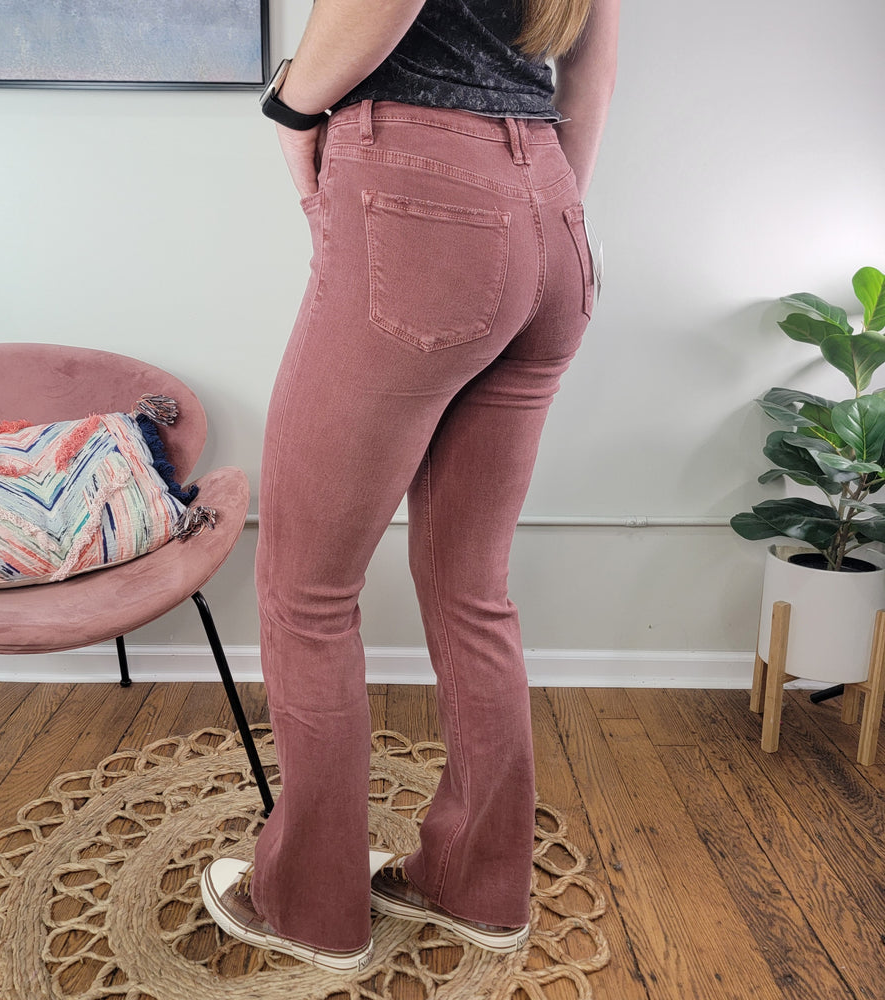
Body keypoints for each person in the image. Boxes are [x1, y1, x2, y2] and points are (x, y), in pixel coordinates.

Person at [201, 0, 620, 974]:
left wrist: (291, 106)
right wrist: (538, 215)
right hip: (552, 214)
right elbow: (591, 77)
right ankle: (475, 885)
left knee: (305, 589)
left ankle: (309, 908)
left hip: (420, 188)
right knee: (472, 584)